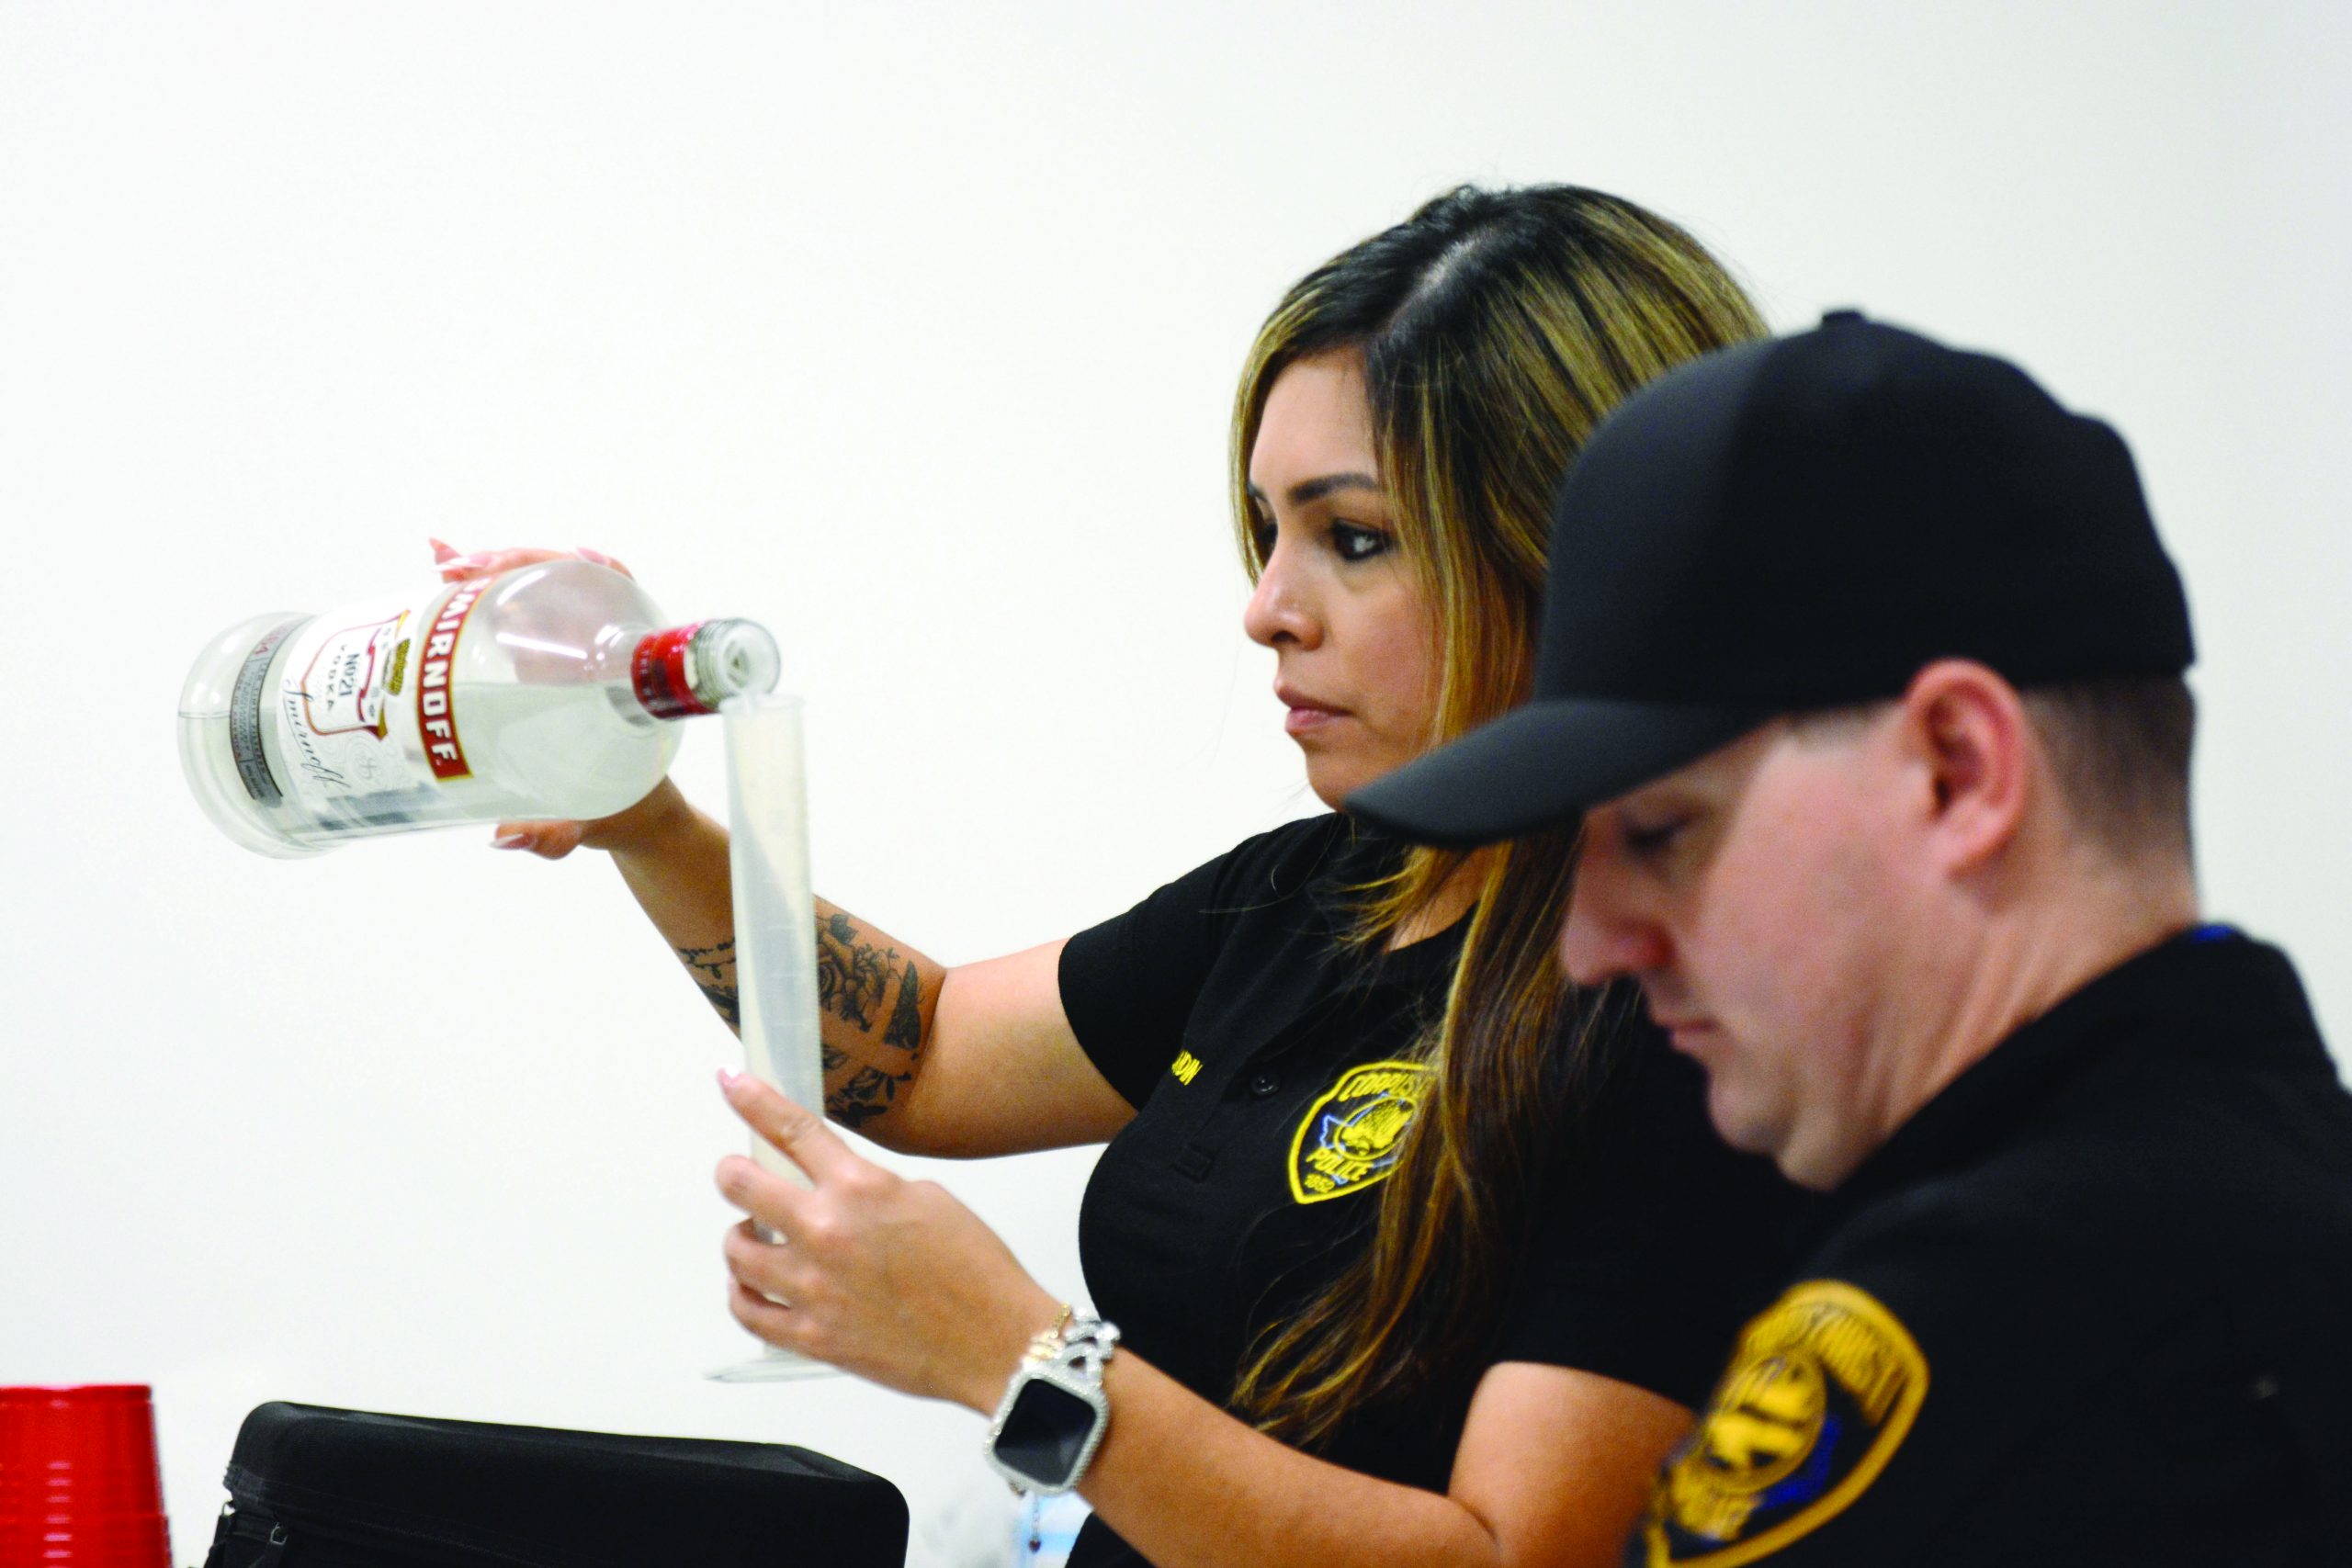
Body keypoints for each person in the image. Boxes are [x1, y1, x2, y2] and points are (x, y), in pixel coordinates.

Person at [448, 186, 1806, 1568]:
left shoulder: (1690, 1012)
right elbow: (913, 1058)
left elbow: (1515, 1559)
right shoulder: (1316, 896)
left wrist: (1019, 1361)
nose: (1268, 604)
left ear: (1579, 549)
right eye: (1267, 529)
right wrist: (647, 823)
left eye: (1353, 537)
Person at [1348, 310, 2352, 1564]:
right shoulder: (2251, 1204)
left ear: (1957, 769)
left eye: (1661, 833)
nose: (1589, 944)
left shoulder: (2011, 1330)